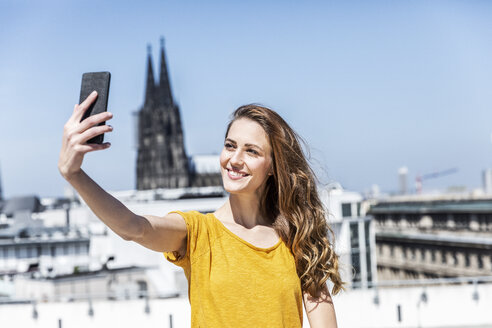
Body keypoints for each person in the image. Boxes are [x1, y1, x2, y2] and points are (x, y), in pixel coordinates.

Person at [58, 91, 343, 327]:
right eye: (230, 146)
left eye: (251, 151)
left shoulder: (296, 238)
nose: (235, 159)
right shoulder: (198, 233)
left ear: (273, 167)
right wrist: (75, 175)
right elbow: (134, 228)